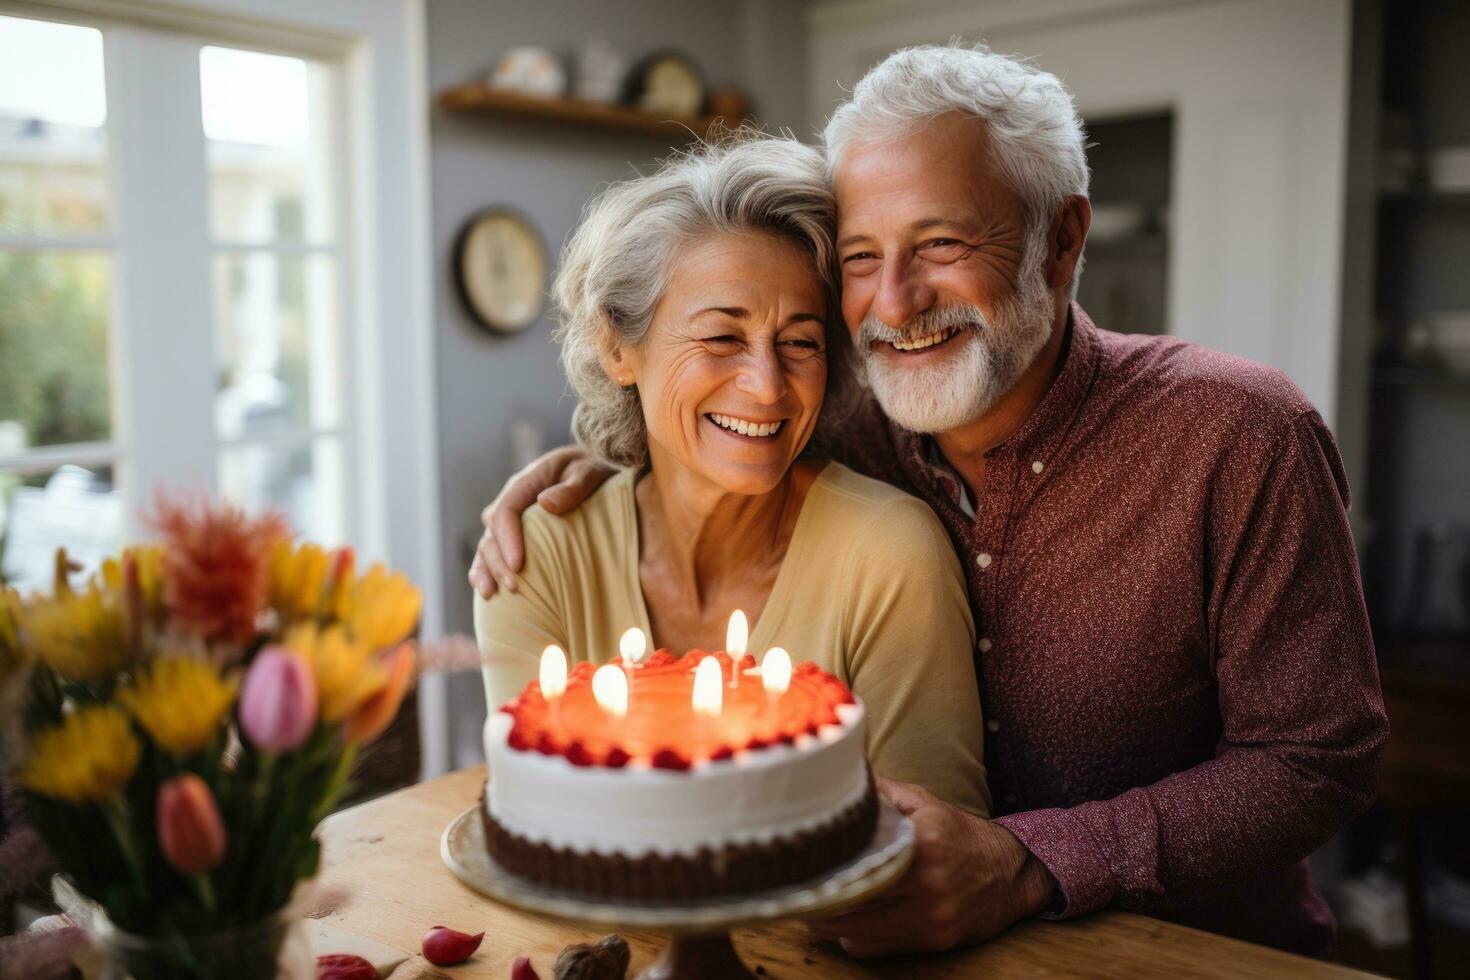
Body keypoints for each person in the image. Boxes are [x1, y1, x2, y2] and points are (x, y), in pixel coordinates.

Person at [470, 44, 1388, 959]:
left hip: (1193, 954)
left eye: (942, 244)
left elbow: (1318, 756)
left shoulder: (1239, 434)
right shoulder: (854, 427)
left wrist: (1035, 862)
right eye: (862, 257)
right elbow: (711, 418)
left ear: (1062, 239)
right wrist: (597, 457)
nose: (897, 303)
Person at [473, 133, 991, 819]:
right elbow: (536, 821)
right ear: (615, 345)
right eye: (722, 337)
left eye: (799, 342)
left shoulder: (889, 552)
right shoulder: (539, 558)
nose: (767, 385)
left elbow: (937, 848)